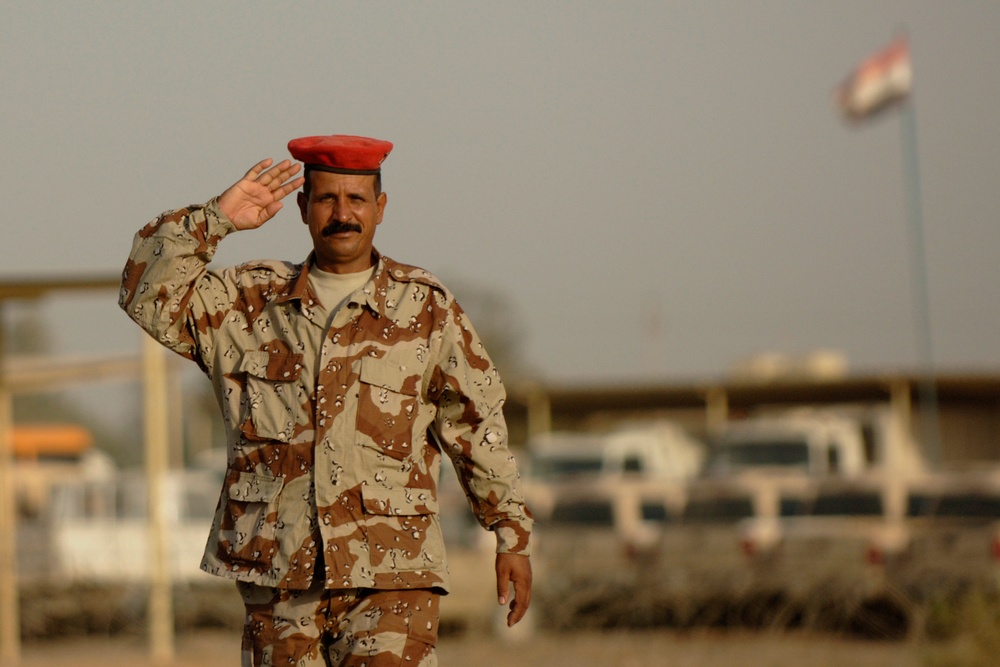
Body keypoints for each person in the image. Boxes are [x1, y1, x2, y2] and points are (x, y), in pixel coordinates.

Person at [119, 134, 533, 667]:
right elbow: (144, 292)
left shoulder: (426, 310)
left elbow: (476, 427)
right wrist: (217, 218)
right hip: (279, 575)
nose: (343, 214)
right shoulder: (247, 304)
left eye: (357, 199)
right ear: (302, 208)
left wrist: (511, 535)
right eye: (327, 200)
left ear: (380, 209)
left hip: (392, 573)